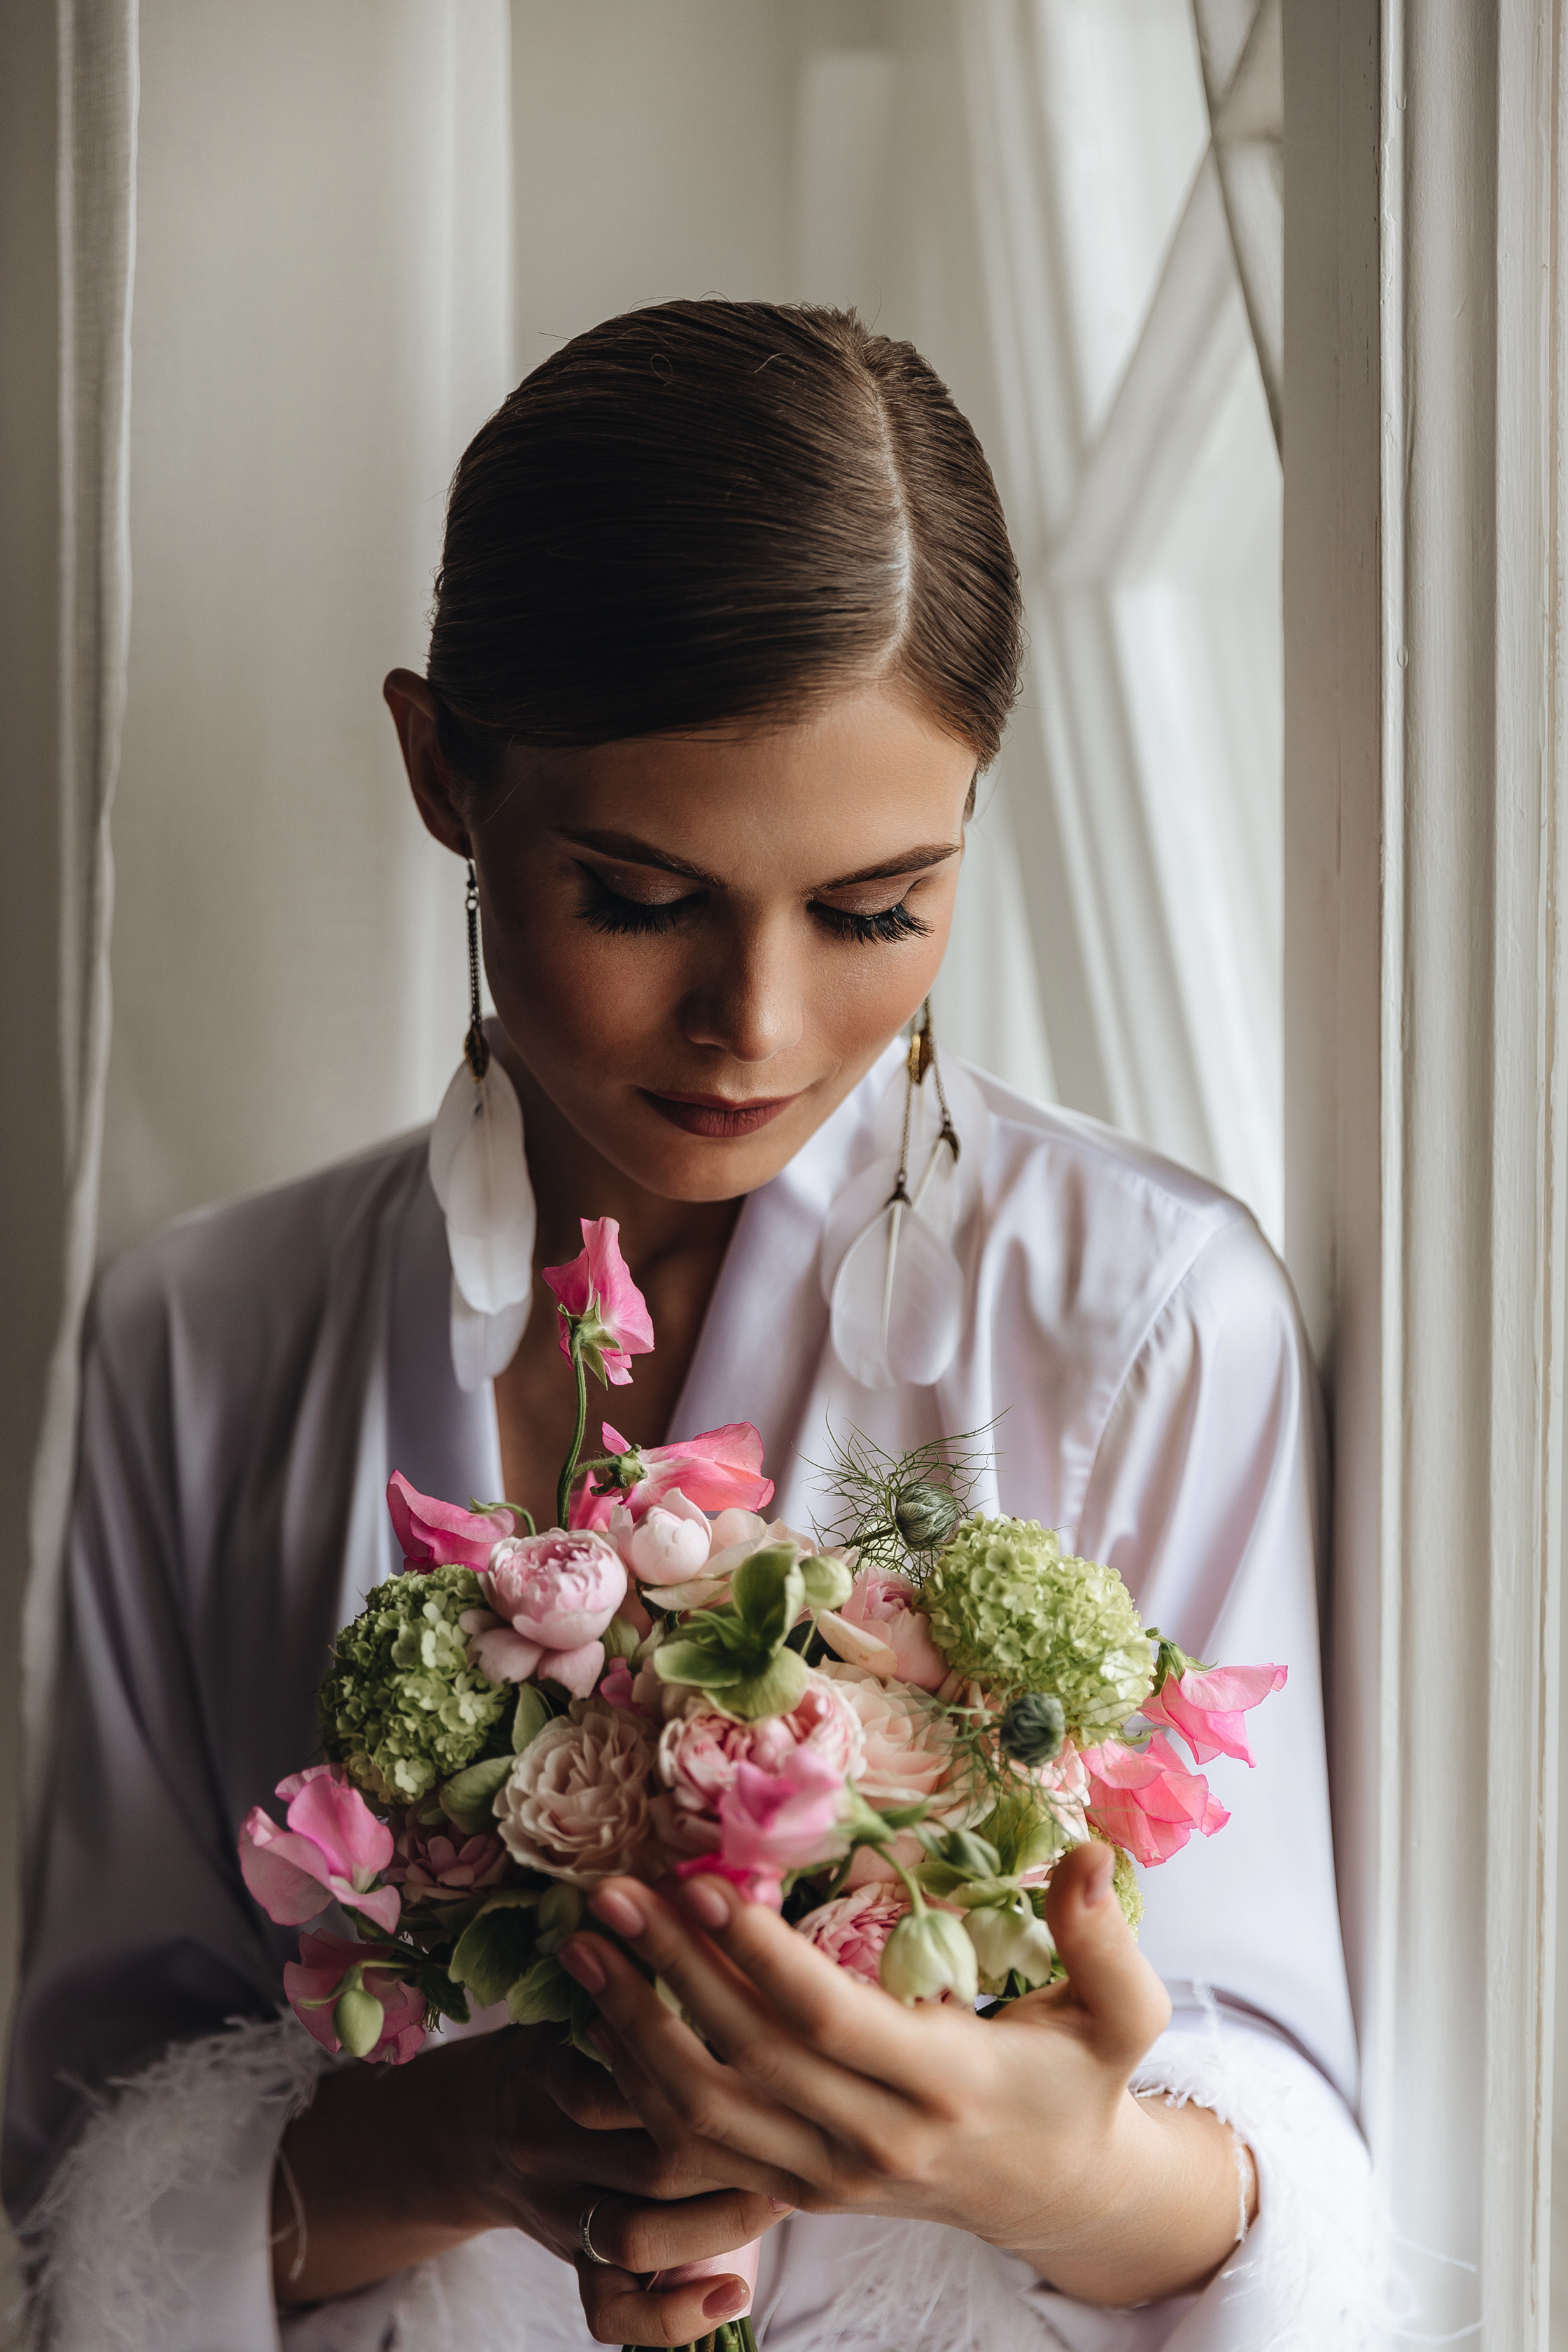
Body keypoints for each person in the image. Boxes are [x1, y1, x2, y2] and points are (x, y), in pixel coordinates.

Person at [5, 302, 1377, 2351]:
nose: (759, 1024)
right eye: (642, 898)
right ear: (443, 772)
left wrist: (1039, 2166)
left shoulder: (1155, 1325)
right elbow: (82, 2170)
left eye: (875, 908)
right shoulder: (195, 1343)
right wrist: (465, 2145)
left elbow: (1291, 2139)